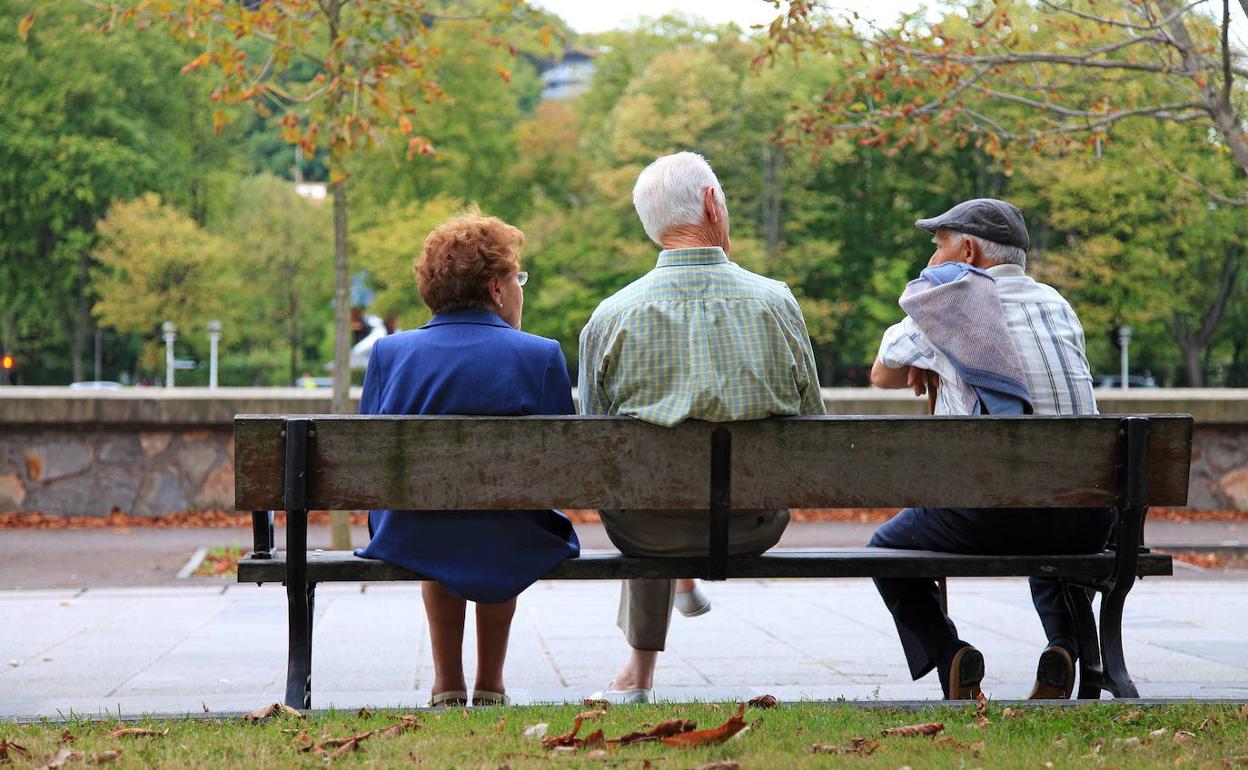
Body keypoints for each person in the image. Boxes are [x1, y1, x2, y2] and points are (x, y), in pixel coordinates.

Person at [579, 151, 826, 703]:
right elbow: (816, 427)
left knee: (646, 494)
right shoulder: (776, 304)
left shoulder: (610, 317)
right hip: (752, 525)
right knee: (663, 490)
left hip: (647, 530)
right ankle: (673, 605)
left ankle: (639, 670)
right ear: (713, 204)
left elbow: (594, 447)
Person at [868, 198, 1105, 700]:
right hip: (1086, 516)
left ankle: (950, 654)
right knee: (1048, 510)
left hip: (989, 516)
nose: (931, 260)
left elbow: (882, 374)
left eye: (938, 247)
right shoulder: (1058, 305)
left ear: (968, 251)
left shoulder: (950, 299)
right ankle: (1063, 646)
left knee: (886, 550)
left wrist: (930, 356)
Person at [355, 211, 580, 708]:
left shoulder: (390, 355)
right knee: (503, 519)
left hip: (412, 532)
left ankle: (447, 683)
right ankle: (491, 683)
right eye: (517, 277)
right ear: (497, 289)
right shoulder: (540, 355)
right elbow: (561, 471)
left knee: (436, 521)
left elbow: (370, 464)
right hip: (512, 532)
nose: (520, 288)